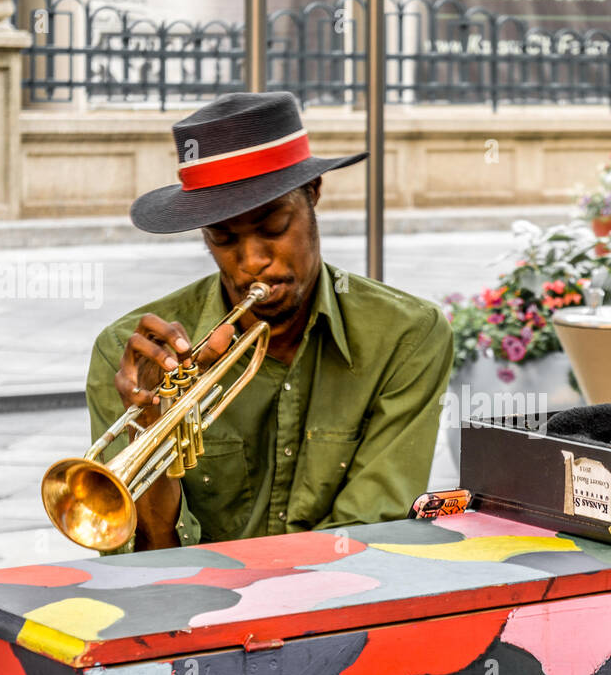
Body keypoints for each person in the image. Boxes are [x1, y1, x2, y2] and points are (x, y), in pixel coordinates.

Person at [84, 92, 453, 552]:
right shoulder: (127, 354)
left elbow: (369, 538)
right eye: (223, 237)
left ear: (314, 192)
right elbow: (141, 561)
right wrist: (152, 434)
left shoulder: (406, 335)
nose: (253, 262)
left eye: (274, 226)